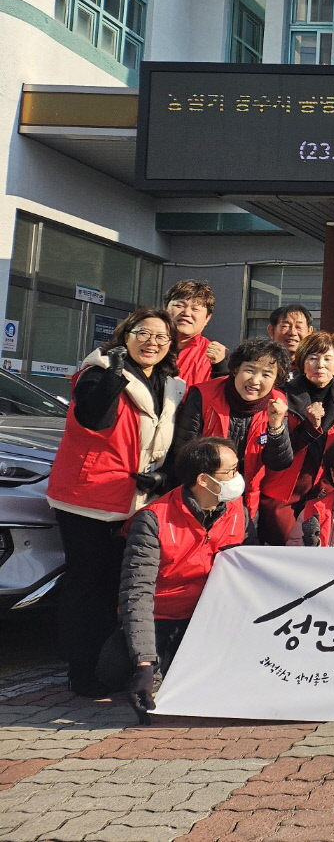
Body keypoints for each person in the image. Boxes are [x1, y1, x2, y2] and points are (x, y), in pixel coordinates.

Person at [47, 308, 185, 697]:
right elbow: (93, 417)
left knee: (120, 586)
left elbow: (169, 441)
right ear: (126, 335)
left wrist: (164, 477)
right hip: (88, 497)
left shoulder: (172, 385)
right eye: (144, 333)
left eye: (162, 337)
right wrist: (113, 376)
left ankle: (112, 666)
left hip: (139, 500)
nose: (152, 342)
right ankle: (81, 668)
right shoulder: (98, 370)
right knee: (87, 584)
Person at [113, 436, 252, 721]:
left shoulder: (237, 510)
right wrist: (144, 662)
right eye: (231, 471)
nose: (238, 478)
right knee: (116, 670)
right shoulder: (153, 519)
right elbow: (137, 592)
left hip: (209, 617)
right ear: (204, 480)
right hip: (162, 616)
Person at [171, 339, 294, 537]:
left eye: (266, 374)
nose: (255, 380)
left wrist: (276, 425)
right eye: (250, 370)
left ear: (276, 380)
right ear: (235, 369)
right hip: (201, 498)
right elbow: (182, 452)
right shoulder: (203, 394)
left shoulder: (277, 403)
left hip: (246, 504)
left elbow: (279, 462)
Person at [259, 331, 334, 544]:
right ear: (302, 362)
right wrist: (310, 427)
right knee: (283, 552)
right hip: (283, 490)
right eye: (313, 358)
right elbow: (275, 449)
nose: (320, 364)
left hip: (324, 489)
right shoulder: (279, 395)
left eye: (328, 358)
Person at [164, 280, 227, 386]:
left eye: (195, 309)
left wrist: (221, 367)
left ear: (207, 318)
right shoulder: (146, 345)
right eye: (179, 306)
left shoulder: (217, 358)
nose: (186, 313)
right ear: (165, 309)